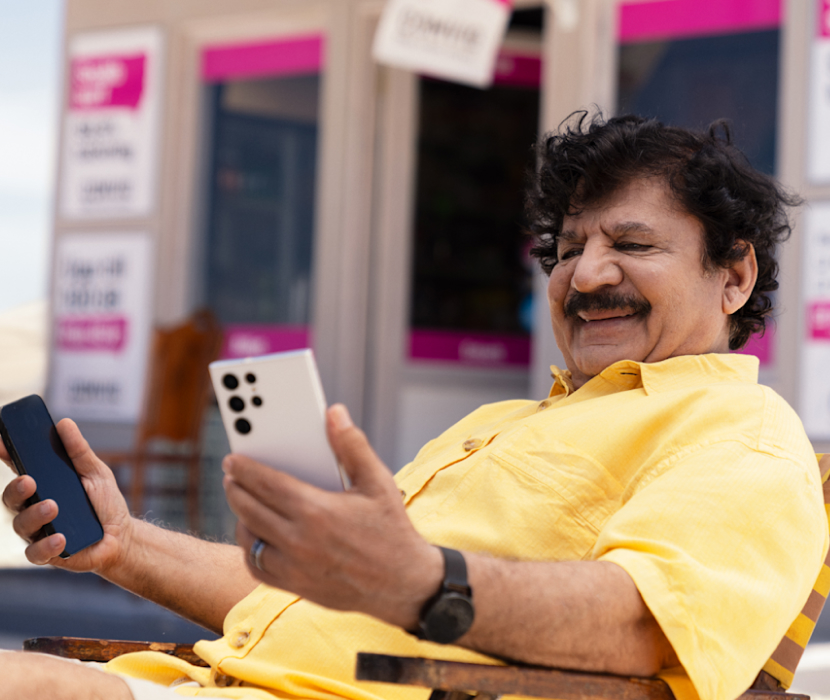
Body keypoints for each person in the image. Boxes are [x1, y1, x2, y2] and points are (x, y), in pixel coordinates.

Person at [1, 113, 826, 700]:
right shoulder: (498, 425)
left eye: (633, 245)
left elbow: (649, 626)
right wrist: (122, 543)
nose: (587, 275)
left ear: (736, 275)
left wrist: (425, 583)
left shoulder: (741, 437)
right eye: (571, 249)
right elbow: (314, 596)